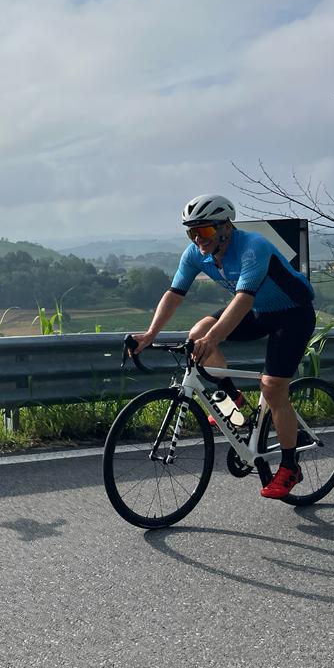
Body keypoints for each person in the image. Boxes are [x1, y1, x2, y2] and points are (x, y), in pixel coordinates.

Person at [131, 193, 316, 499]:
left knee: (272, 388)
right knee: (197, 333)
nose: (197, 238)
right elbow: (175, 293)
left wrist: (214, 339)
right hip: (259, 313)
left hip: (292, 315)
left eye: (204, 230)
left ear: (226, 226)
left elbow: (243, 299)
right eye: (192, 231)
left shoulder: (253, 247)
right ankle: (233, 399)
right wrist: (151, 334)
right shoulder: (195, 254)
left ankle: (289, 467)